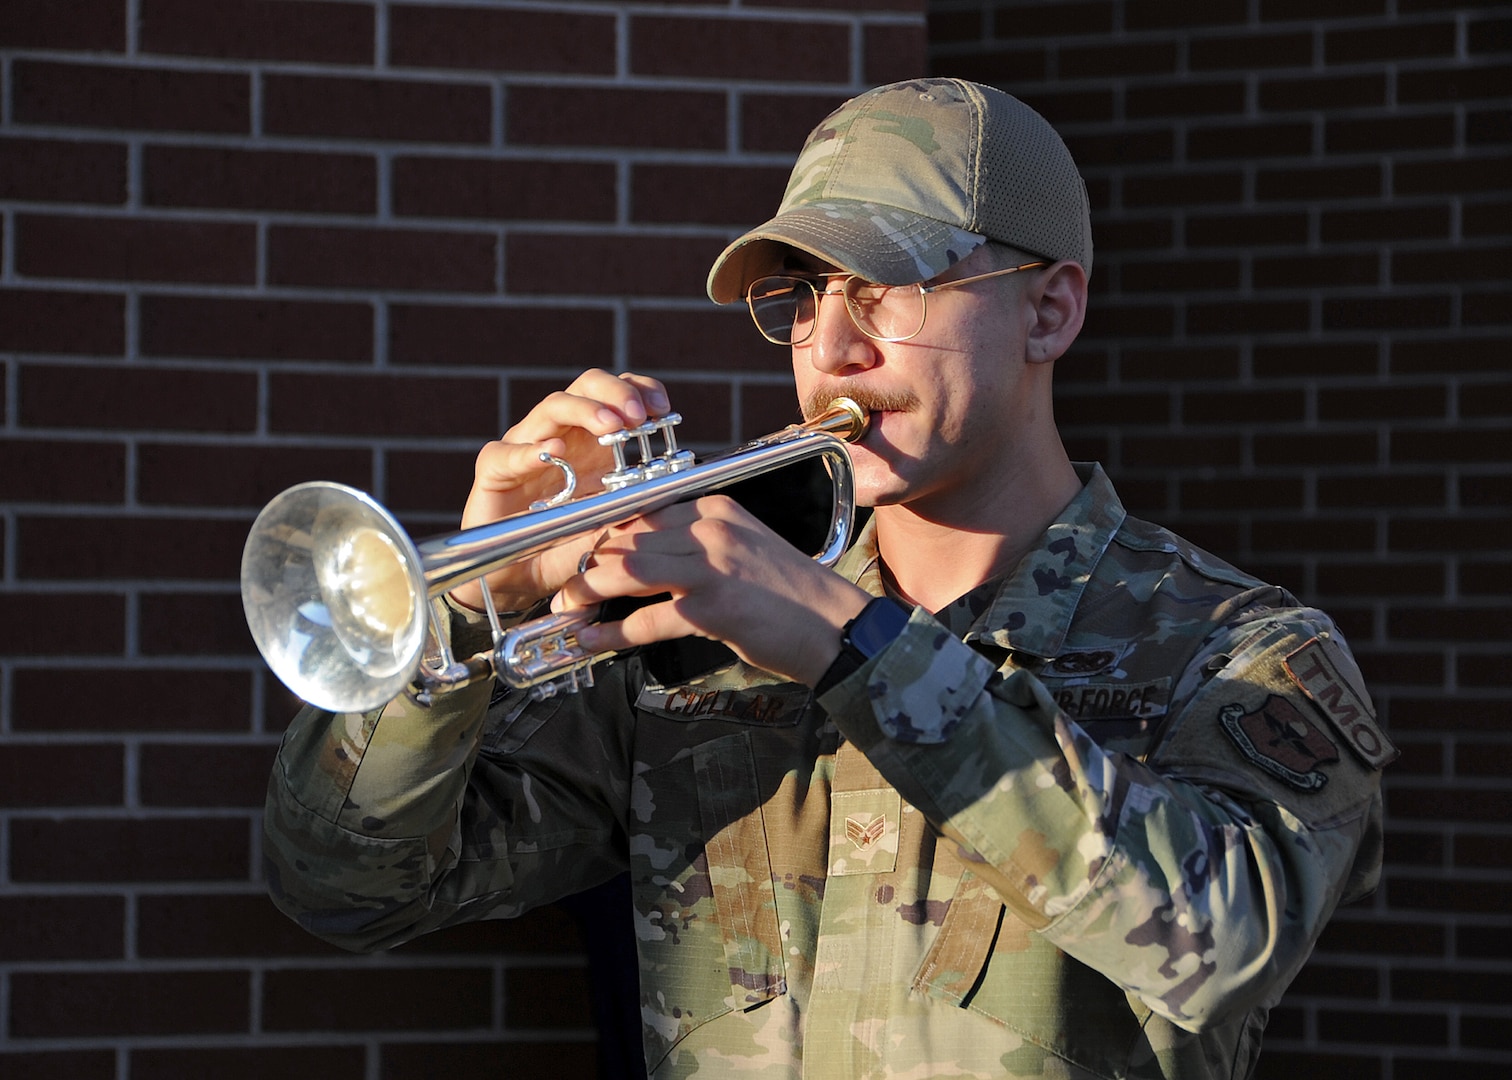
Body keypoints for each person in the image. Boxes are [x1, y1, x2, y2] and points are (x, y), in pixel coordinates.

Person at [263, 78, 1393, 1079]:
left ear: (1049, 309)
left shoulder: (1241, 650)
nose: (831, 348)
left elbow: (1223, 948)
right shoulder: (690, 649)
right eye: (804, 294)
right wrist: (468, 614)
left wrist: (851, 644)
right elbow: (346, 889)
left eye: (890, 286)